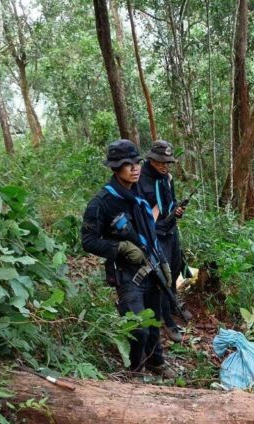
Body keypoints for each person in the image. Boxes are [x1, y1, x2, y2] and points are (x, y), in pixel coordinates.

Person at [81, 139, 175, 378]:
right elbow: (88, 241)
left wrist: (162, 261)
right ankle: (135, 370)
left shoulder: (140, 195)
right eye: (127, 164)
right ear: (114, 167)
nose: (135, 168)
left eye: (137, 162)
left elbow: (150, 233)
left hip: (151, 267)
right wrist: (120, 247)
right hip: (127, 275)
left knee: (153, 322)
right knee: (138, 327)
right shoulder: (102, 202)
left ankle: (157, 362)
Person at [138, 140, 192, 343]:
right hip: (154, 234)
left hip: (170, 231)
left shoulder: (167, 178)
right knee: (163, 276)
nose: (164, 165)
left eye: (167, 162)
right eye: (160, 162)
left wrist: (177, 211)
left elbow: (171, 202)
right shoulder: (140, 179)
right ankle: (167, 320)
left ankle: (171, 305)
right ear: (150, 159)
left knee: (176, 269)